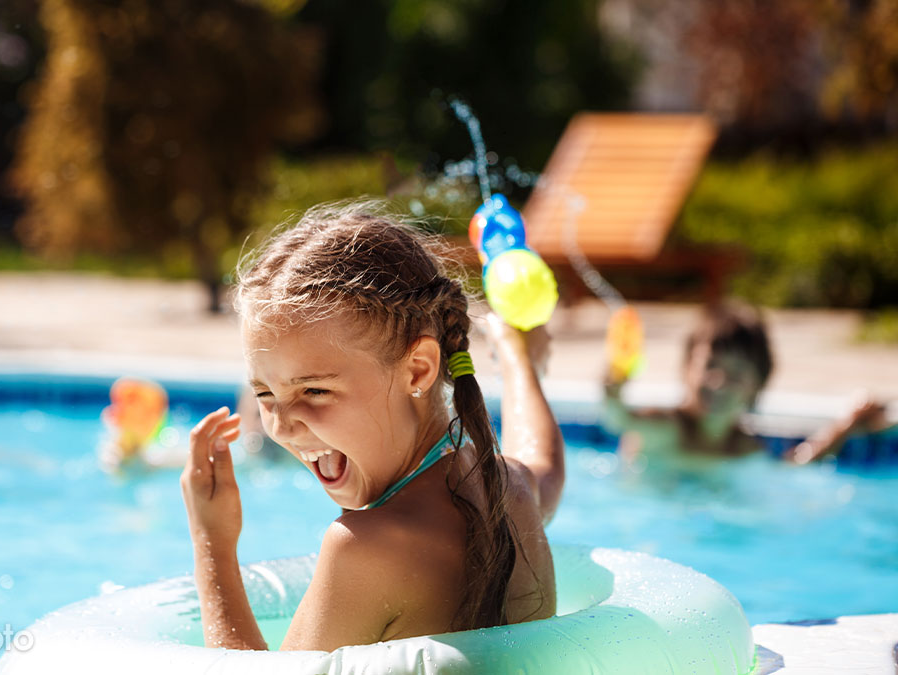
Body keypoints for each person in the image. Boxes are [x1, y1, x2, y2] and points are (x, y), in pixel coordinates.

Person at [179, 202, 565, 651]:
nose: (280, 428)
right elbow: (544, 466)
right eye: (265, 394)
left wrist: (212, 543)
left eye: (314, 390)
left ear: (419, 370)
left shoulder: (364, 549)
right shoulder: (507, 489)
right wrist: (519, 357)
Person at [602, 300, 891, 465]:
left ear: (757, 385)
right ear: (687, 366)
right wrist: (614, 387)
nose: (719, 382)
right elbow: (618, 418)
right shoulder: (666, 427)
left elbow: (791, 468)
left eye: (737, 373)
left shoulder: (743, 447)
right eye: (710, 366)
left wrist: (845, 425)